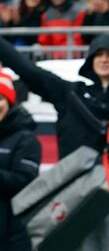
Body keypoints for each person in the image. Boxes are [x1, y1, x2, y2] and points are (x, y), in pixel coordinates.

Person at [0, 34, 109, 251]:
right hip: (77, 201)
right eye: (98, 54)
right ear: (90, 60)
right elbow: (27, 69)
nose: (104, 59)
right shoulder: (70, 94)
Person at [0, 71, 40, 251]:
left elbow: (25, 181)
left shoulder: (26, 139)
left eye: (0, 98)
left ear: (9, 102)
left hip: (12, 235)